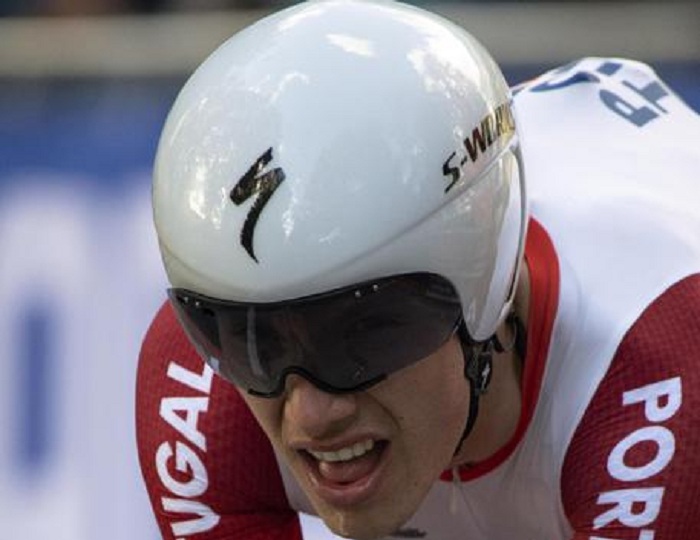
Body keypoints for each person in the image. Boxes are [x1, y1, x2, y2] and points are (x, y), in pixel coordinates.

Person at [135, 1, 700, 538]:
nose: (312, 414)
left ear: (481, 295)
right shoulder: (202, 376)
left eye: (360, 335)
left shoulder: (653, 367)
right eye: (255, 343)